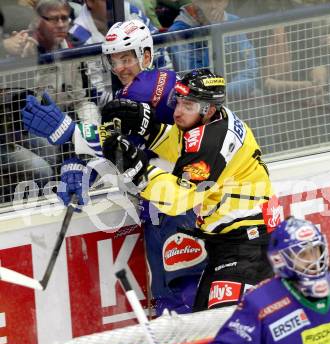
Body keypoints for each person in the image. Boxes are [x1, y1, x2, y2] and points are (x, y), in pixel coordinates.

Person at [21, 21, 208, 317]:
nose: (120, 67)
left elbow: (118, 142)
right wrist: (85, 169)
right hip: (160, 208)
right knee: (167, 299)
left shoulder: (151, 88)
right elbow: (125, 152)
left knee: (184, 299)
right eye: (114, 59)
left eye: (127, 57)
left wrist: (69, 131)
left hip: (180, 208)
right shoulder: (143, 89)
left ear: (146, 54)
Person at [101, 68, 279, 311]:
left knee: (225, 328)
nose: (177, 112)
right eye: (179, 102)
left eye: (188, 105)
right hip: (232, 242)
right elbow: (181, 145)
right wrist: (149, 129)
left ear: (209, 109)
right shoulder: (210, 122)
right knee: (206, 324)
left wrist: (139, 172)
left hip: (248, 246)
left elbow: (178, 199)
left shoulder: (212, 143)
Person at [189, 217, 330, 344]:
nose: (313, 262)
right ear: (280, 260)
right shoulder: (262, 303)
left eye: (316, 251)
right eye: (302, 255)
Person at [168, 0, 259, 100]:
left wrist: (221, 93)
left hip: (231, 99)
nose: (213, 6)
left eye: (218, 0)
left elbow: (251, 70)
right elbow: (192, 83)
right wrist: (211, 30)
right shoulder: (179, 31)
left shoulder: (232, 21)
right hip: (197, 104)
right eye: (207, 1)